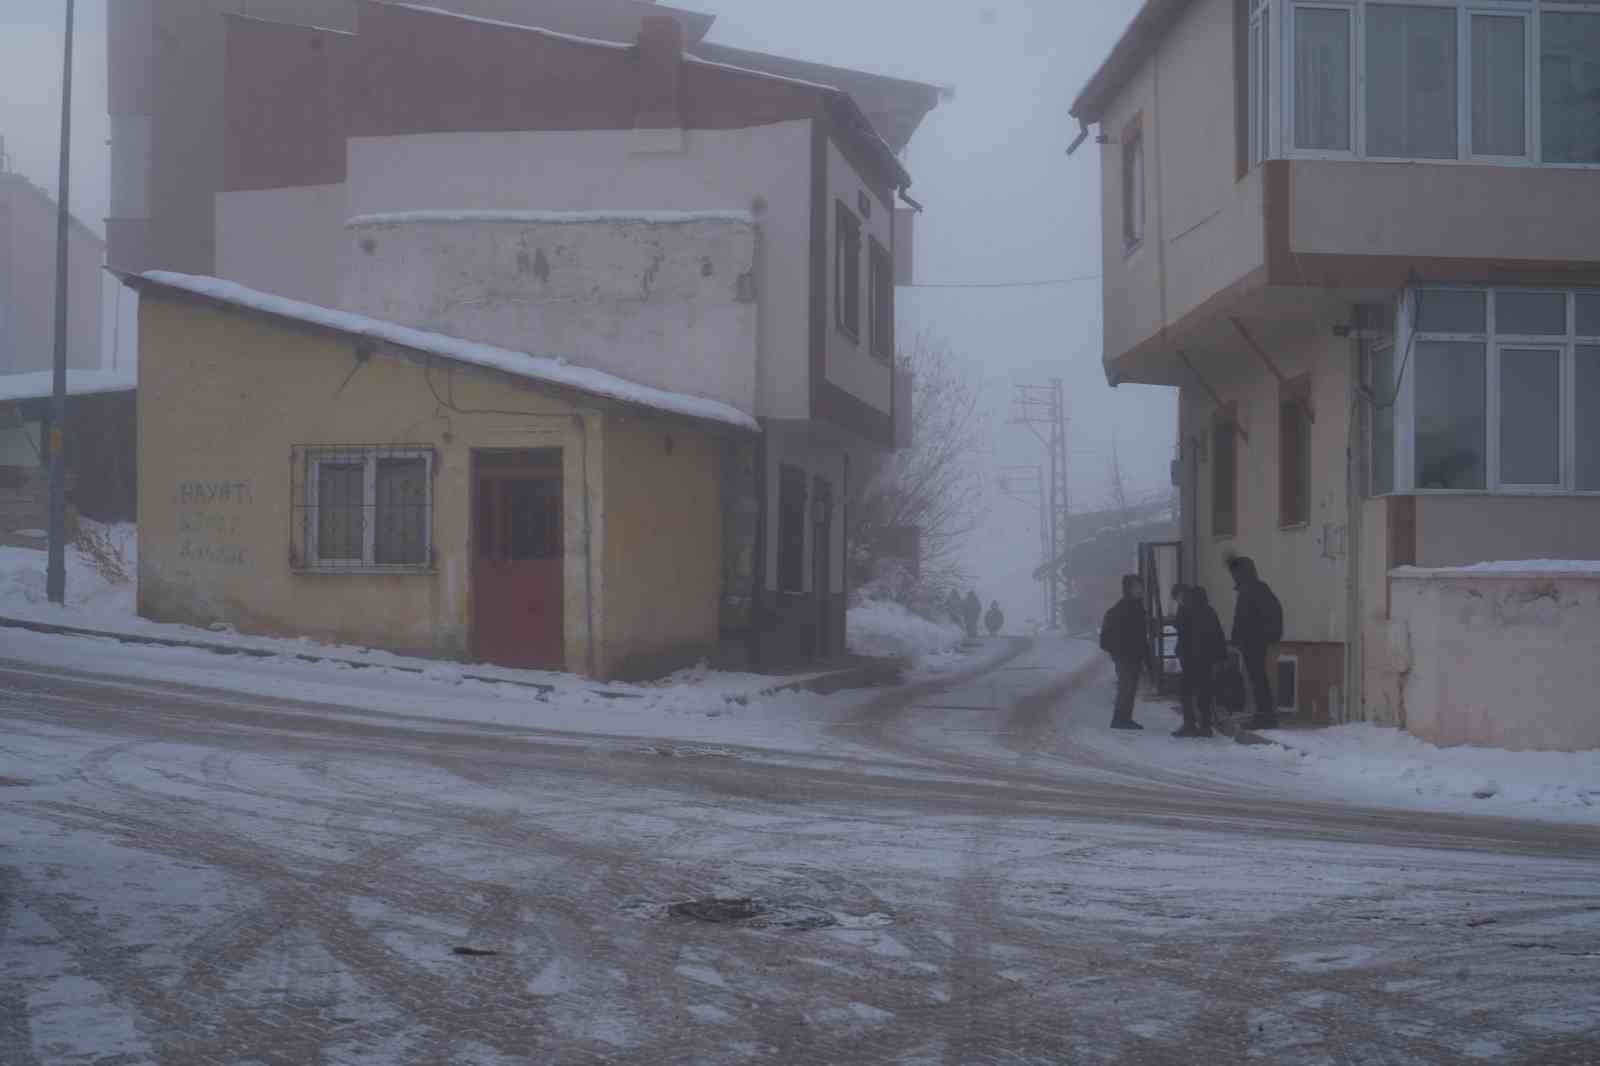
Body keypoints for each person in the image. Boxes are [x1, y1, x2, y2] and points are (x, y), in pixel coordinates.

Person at [1227, 556, 1284, 730]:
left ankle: (1265, 716)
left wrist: (1258, 635)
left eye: (1235, 573)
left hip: (1254, 641)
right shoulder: (1253, 589)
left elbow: (1246, 617)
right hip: (1251, 640)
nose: (1233, 576)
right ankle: (1263, 714)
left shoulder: (1253, 590)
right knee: (1257, 678)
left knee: (1258, 678)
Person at [1172, 585, 1226, 737]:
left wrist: (1180, 652)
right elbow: (1218, 634)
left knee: (1186, 692)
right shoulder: (1209, 611)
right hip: (1206, 660)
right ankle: (1206, 726)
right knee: (1205, 692)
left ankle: (1189, 725)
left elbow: (1181, 631)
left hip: (1190, 659)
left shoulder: (1186, 611)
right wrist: (1221, 656)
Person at [1099, 574, 1150, 730]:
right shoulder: (1122, 609)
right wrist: (1120, 651)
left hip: (1133, 655)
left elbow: (1140, 635)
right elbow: (1108, 637)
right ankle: (1120, 720)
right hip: (1126, 656)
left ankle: (1124, 718)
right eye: (1138, 587)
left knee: (1130, 688)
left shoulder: (1136, 607)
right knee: (1126, 688)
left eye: (1141, 586)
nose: (1141, 590)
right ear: (1129, 589)